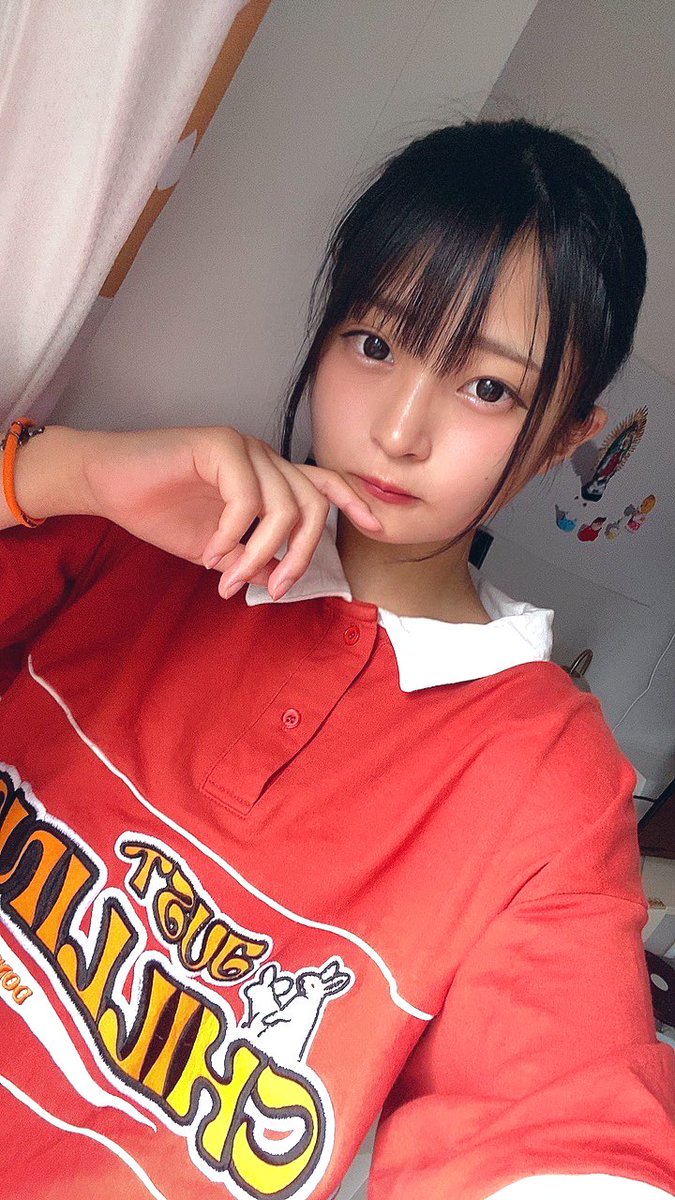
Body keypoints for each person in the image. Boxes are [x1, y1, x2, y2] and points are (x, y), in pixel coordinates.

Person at [0, 118, 673, 1200]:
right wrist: (67, 474)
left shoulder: (545, 778)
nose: (398, 430)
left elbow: (563, 1129)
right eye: (375, 344)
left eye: (487, 389)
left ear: (561, 438)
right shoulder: (153, 524)